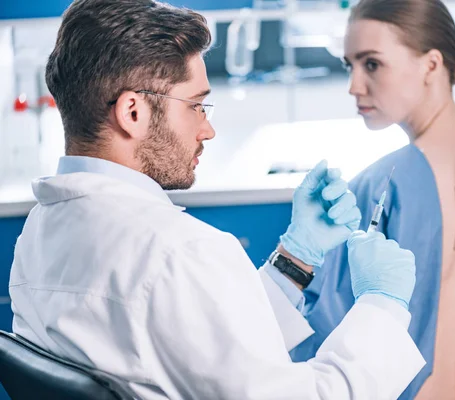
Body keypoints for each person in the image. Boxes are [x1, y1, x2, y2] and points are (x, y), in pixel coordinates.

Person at [7, 0, 425, 399]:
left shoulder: (39, 233)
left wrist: (296, 257)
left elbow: (200, 352)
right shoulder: (181, 251)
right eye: (196, 106)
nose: (208, 131)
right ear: (133, 112)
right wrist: (382, 305)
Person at [288, 1, 455, 399]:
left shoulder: (380, 185)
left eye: (371, 64)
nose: (354, 85)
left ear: (431, 65)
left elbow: (325, 335)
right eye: (349, 65)